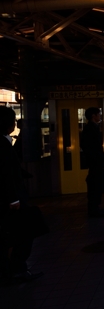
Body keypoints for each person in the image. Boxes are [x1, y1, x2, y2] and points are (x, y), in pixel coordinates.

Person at [0, 106, 45, 283]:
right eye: (13, 120)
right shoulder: (2, 144)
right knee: (25, 230)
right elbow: (5, 174)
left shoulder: (5, 142)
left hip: (11, 198)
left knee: (12, 234)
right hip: (11, 200)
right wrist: (14, 199)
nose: (15, 124)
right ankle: (16, 269)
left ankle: (11, 270)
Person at [81, 107, 104, 218]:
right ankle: (94, 209)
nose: (100, 116)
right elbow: (92, 147)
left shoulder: (91, 128)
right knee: (95, 185)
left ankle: (95, 208)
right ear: (93, 116)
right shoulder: (90, 129)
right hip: (95, 162)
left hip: (95, 162)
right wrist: (97, 159)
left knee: (96, 185)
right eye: (99, 114)